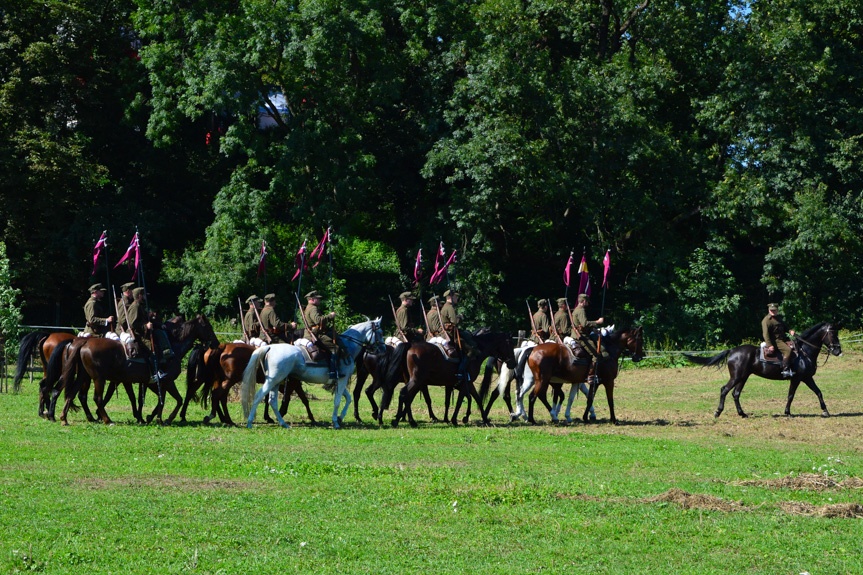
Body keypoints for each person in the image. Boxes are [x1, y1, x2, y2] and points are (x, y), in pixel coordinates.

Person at [303, 290, 343, 378]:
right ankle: (333, 372)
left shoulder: (309, 307)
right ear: (312, 299)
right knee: (335, 348)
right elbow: (318, 320)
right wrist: (330, 316)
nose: (320, 300)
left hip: (314, 333)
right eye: (318, 299)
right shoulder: (313, 308)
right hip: (316, 335)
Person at [439, 289, 478, 359]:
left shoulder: (445, 306)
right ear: (451, 297)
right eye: (455, 296)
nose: (457, 298)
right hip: (452, 335)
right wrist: (460, 317)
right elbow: (455, 321)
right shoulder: (450, 307)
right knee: (471, 351)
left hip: (448, 333)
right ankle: (462, 368)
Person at [762, 302, 796, 377]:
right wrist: (770, 345)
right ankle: (785, 369)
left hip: (783, 339)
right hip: (776, 341)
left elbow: (785, 327)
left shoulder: (778, 318)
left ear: (777, 310)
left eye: (774, 310)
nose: (773, 312)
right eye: (771, 310)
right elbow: (765, 334)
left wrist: (790, 331)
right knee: (788, 350)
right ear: (769, 310)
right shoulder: (767, 321)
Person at [573, 293, 605, 359]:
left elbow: (582, 325)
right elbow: (584, 323)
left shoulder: (577, 309)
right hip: (581, 336)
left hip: (579, 333)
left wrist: (592, 330)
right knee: (595, 355)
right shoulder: (581, 310)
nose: (588, 303)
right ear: (584, 301)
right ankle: (592, 369)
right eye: (587, 301)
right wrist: (597, 322)